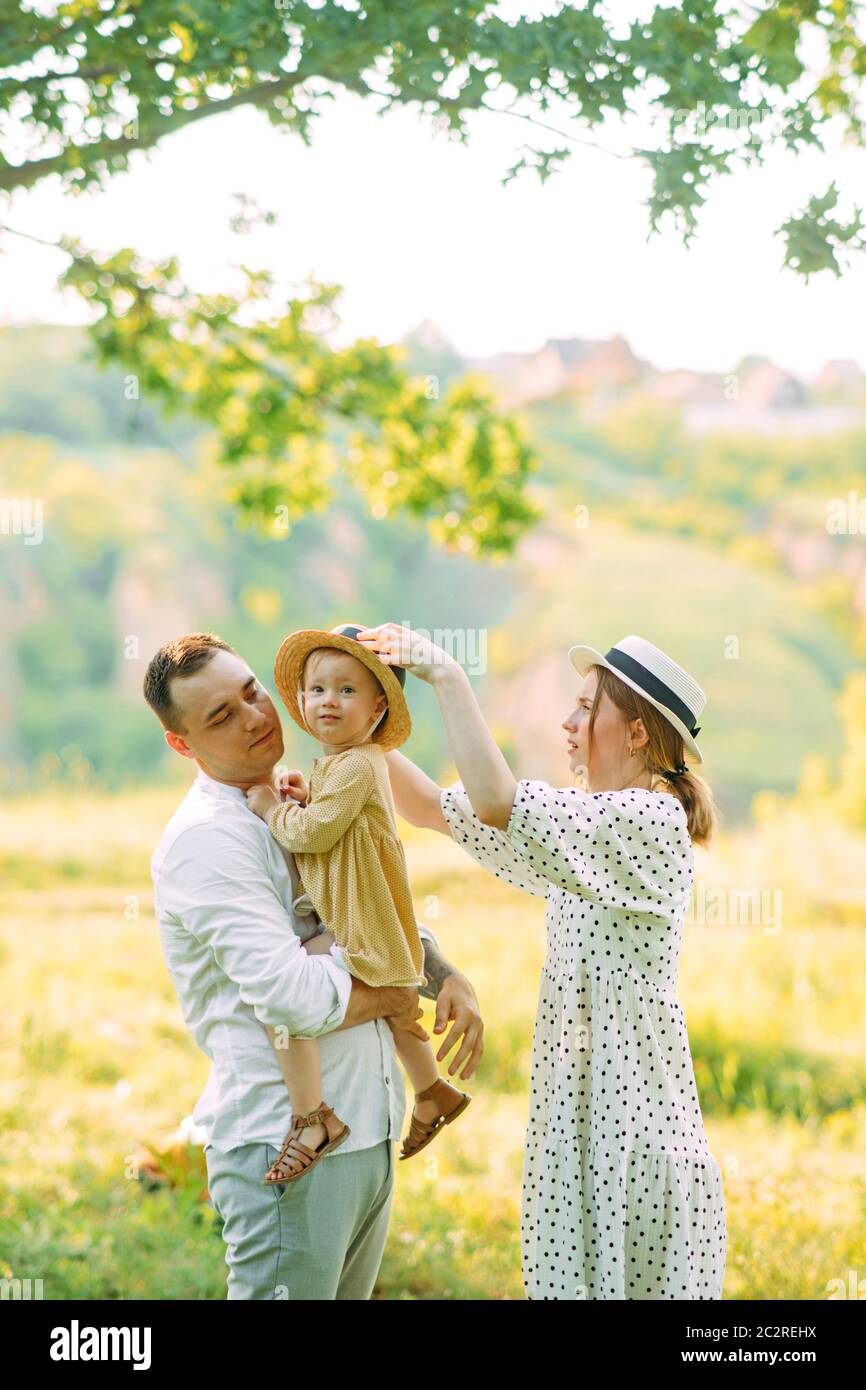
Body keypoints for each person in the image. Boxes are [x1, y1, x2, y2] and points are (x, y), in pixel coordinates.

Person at [359, 623, 727, 1301]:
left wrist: (445, 675)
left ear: (639, 732)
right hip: (582, 1130)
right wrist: (358, 716)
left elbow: (498, 800)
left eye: (587, 708)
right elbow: (436, 810)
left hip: (630, 1142)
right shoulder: (589, 828)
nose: (567, 721)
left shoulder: (649, 821)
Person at [143, 631, 484, 1299]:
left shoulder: (303, 796)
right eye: (222, 716)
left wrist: (443, 974)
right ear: (182, 745)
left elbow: (363, 907)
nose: (255, 716)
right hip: (285, 1147)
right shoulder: (210, 842)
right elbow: (293, 997)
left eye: (253, 693)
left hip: (370, 1129)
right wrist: (394, 996)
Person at [244, 623, 471, 1185]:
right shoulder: (346, 764)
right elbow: (333, 819)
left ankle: (313, 1117)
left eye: (347, 691)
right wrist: (303, 795)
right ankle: (433, 1091)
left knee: (290, 1002)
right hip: (368, 917)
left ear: (375, 711)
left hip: (356, 923)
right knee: (398, 1011)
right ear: (300, 700)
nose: (329, 701)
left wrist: (273, 808)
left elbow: (314, 835)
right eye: (318, 689)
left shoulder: (358, 763)